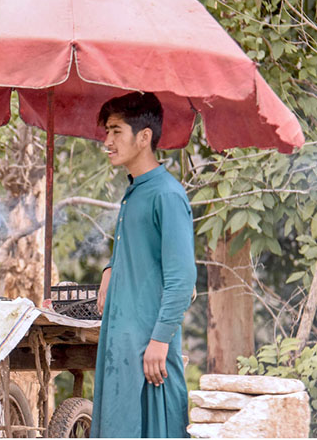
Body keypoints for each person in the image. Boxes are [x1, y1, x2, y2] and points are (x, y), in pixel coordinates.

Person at [90, 91, 197, 438]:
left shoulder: (166, 194)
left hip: (150, 352)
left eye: (116, 131)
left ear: (144, 137)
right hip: (122, 347)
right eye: (107, 132)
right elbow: (140, 252)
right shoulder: (135, 191)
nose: (107, 141)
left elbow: (182, 278)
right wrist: (111, 270)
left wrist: (160, 341)